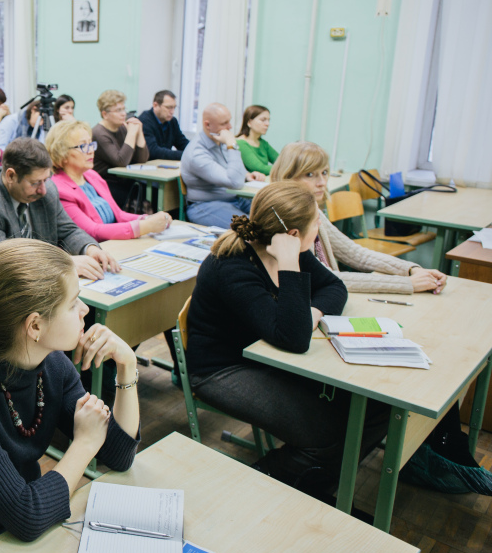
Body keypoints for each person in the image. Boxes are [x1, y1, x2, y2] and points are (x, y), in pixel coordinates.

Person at [0, 239, 139, 553]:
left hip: (33, 533)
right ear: (34, 325)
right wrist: (84, 444)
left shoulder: (50, 364)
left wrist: (127, 366)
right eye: (73, 302)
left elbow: (120, 455)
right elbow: (27, 516)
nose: (85, 311)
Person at [185, 181, 389, 498]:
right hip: (221, 370)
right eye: (315, 224)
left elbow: (335, 288)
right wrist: (290, 264)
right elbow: (294, 338)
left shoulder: (287, 249)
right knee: (324, 435)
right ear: (292, 236)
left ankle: (318, 483)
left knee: (375, 405)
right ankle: (257, 486)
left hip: (265, 357)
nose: (319, 228)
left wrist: (313, 313)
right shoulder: (232, 267)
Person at [271, 141, 446, 295]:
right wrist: (406, 284)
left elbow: (355, 254)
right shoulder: (284, 221)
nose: (322, 182)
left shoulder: (311, 209)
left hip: (328, 296)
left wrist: (411, 270)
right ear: (287, 177)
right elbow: (326, 278)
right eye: (310, 174)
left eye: (324, 172)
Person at [0, 137, 119, 279]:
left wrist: (89, 248)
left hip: (35, 281)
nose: (43, 190)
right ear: (10, 175)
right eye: (35, 183)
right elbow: (5, 261)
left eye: (46, 180)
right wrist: (66, 263)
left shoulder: (46, 189)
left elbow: (67, 230)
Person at [48, 121, 171, 241]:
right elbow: (92, 231)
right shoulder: (61, 190)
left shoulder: (92, 176)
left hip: (113, 243)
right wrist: (146, 226)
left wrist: (148, 219)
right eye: (83, 146)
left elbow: (119, 215)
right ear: (62, 154)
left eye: (91, 144)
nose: (91, 150)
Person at [180, 102, 264, 228]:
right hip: (206, 205)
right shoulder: (197, 153)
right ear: (207, 125)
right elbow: (235, 183)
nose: (229, 127)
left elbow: (236, 170)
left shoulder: (220, 141)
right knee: (250, 228)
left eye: (229, 122)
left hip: (234, 199)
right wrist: (232, 145)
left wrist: (247, 175)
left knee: (273, 213)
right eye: (224, 123)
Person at [90, 90, 148, 207]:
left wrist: (139, 132)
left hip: (122, 180)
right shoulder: (99, 133)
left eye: (123, 109)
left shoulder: (121, 128)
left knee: (149, 191)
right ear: (105, 114)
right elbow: (121, 161)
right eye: (118, 110)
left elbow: (142, 159)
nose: (124, 114)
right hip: (104, 183)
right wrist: (131, 133)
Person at [139, 90, 190, 160]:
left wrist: (195, 151)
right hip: (148, 166)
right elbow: (153, 151)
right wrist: (185, 155)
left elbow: (182, 142)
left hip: (162, 165)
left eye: (174, 107)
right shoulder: (144, 120)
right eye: (168, 107)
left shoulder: (172, 121)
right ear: (155, 105)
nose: (172, 112)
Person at [236, 104, 278, 175]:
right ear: (249, 122)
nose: (267, 124)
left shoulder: (263, 143)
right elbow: (260, 168)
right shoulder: (240, 143)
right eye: (263, 120)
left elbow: (282, 161)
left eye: (268, 120)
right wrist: (285, 168)